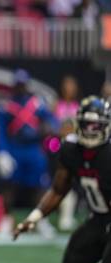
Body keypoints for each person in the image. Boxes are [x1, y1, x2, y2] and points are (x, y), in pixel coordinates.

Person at [14, 95, 111, 263]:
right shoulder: (71, 148)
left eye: (96, 125)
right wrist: (34, 217)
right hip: (98, 219)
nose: (91, 130)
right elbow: (59, 190)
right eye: (87, 124)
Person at [0, 68, 59, 238]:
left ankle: (40, 220)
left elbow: (52, 120)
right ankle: (7, 219)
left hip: (34, 149)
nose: (20, 88)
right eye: (18, 85)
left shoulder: (36, 103)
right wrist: (2, 153)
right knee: (9, 186)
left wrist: (51, 128)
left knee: (40, 186)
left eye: (23, 85)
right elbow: (0, 131)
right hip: (15, 148)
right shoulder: (6, 106)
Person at [54, 75, 80, 231]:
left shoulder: (79, 106)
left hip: (75, 149)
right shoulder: (56, 105)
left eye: (72, 85)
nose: (70, 88)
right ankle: (58, 214)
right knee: (60, 181)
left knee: (74, 182)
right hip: (60, 148)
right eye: (67, 85)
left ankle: (68, 215)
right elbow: (54, 127)